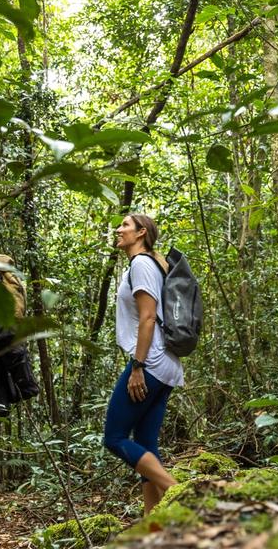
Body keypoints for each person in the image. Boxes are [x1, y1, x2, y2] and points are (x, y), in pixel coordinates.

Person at [102, 213, 182, 516]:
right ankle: (153, 521)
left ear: (141, 233)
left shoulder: (141, 264)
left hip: (150, 361)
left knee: (114, 438)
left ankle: (177, 491)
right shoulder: (146, 265)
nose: (118, 229)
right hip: (163, 364)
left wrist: (137, 366)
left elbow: (148, 317)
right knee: (146, 441)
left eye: (125, 225)